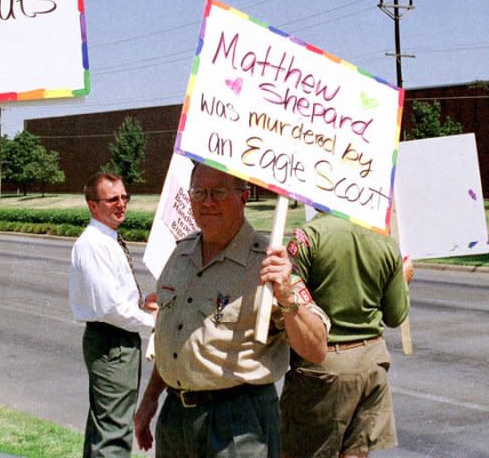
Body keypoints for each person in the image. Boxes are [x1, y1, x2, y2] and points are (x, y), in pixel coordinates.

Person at [133, 163, 330, 458]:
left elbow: (316, 349)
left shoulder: (269, 263)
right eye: (199, 192)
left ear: (243, 197)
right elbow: (175, 338)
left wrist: (287, 298)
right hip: (176, 418)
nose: (207, 201)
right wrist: (150, 398)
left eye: (218, 192)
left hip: (237, 423)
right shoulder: (180, 254)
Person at [279, 212, 413, 458]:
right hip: (372, 363)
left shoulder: (308, 237)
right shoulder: (385, 241)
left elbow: (290, 295)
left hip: (323, 366)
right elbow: (395, 315)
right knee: (356, 452)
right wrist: (403, 281)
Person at [69, 172, 157, 458]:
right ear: (93, 205)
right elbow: (111, 308)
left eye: (124, 197)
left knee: (104, 427)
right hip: (113, 343)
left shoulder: (107, 239)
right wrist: (152, 321)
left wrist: (142, 303)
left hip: (114, 340)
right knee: (114, 435)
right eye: (112, 199)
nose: (121, 204)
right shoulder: (94, 244)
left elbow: (115, 296)